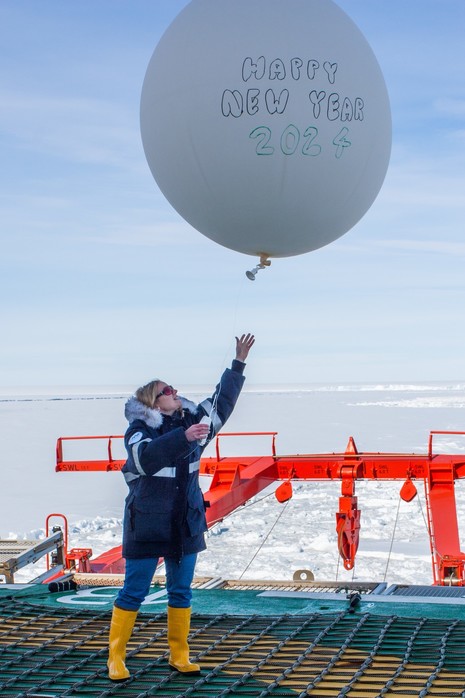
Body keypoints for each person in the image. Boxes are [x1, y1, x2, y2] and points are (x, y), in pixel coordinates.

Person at [108, 333, 255, 682]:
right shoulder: (138, 429)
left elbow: (221, 404)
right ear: (155, 403)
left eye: (173, 388)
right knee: (135, 590)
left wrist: (238, 363)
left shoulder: (193, 422)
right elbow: (143, 459)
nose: (174, 391)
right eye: (166, 390)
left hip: (185, 521)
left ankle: (180, 654)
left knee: (181, 590)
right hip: (147, 523)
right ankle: (116, 658)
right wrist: (181, 438)